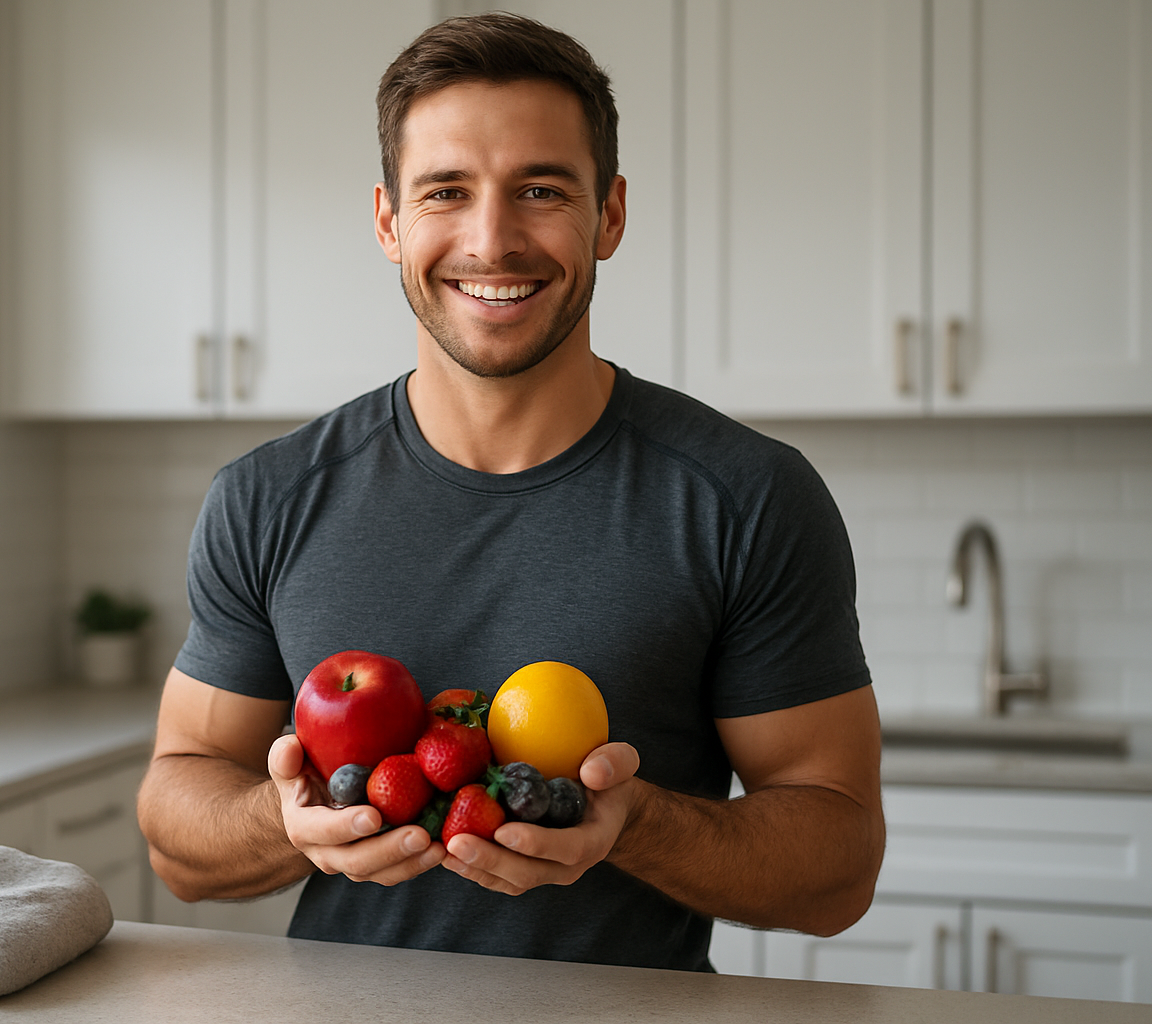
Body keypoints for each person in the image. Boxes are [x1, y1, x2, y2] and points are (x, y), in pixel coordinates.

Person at [136, 12, 884, 970]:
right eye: (446, 191)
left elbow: (840, 869)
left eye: (540, 189)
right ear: (388, 220)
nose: (492, 241)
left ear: (609, 214)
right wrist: (289, 821)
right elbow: (176, 826)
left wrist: (635, 824)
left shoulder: (746, 497)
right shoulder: (269, 499)